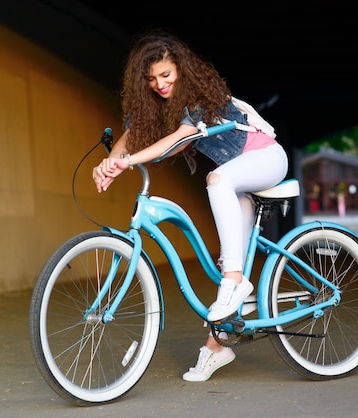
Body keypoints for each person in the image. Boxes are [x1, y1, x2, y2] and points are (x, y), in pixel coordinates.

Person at [92, 29, 288, 381]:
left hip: (266, 158)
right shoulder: (155, 104)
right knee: (230, 258)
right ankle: (218, 346)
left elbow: (181, 138)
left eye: (166, 75)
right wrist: (111, 164)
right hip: (238, 173)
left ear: (180, 68)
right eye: (151, 79)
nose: (160, 84)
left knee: (217, 182)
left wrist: (129, 161)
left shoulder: (198, 95)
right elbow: (129, 137)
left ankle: (236, 286)